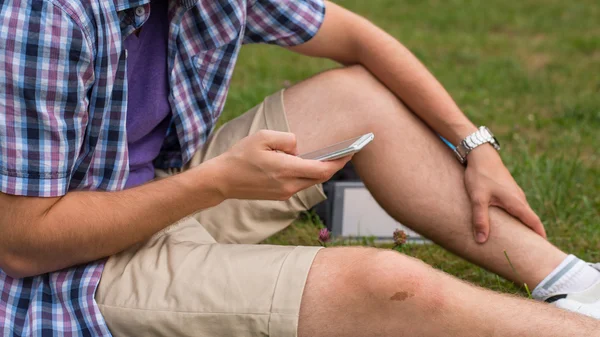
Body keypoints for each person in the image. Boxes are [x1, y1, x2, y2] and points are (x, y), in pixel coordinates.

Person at [0, 0, 598, 335]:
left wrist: (475, 146)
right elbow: (23, 244)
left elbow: (359, 39)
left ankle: (574, 285)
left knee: (359, 96)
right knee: (382, 286)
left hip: (160, 196)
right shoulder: (47, 17)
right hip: (70, 273)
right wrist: (213, 184)